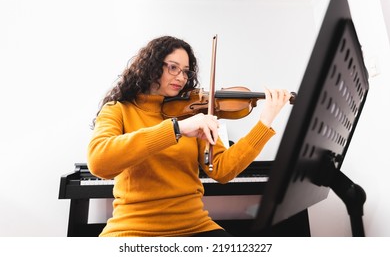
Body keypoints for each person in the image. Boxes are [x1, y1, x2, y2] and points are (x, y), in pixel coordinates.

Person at [87, 35, 291, 237]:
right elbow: (99, 162)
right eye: (173, 68)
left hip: (195, 226)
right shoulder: (118, 110)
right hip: (133, 229)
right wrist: (176, 129)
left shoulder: (193, 114)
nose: (182, 77)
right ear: (151, 66)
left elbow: (221, 169)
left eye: (185, 71)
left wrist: (264, 122)